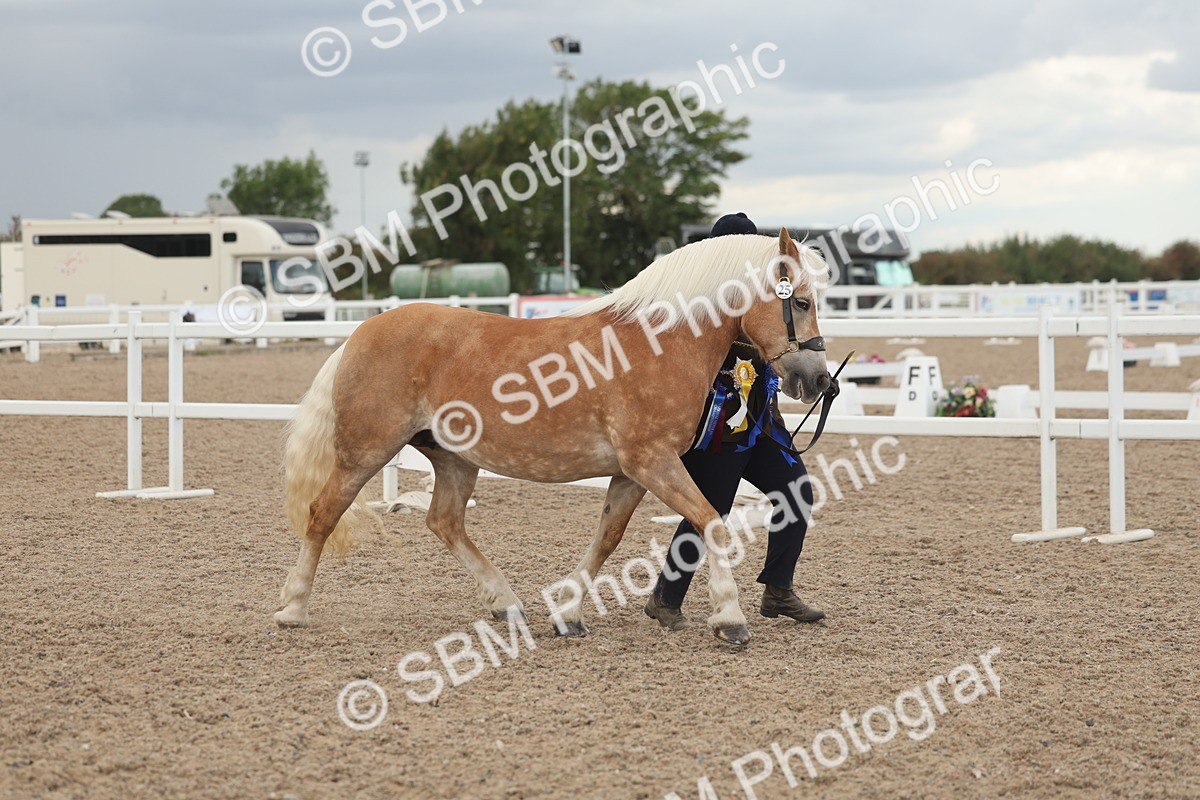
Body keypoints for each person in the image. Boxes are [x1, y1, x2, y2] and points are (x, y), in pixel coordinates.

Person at [644, 212, 825, 632]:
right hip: (717, 429)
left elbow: (783, 345)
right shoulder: (698, 307)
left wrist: (814, 374)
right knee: (709, 510)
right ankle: (666, 597)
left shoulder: (761, 302)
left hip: (761, 422)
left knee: (796, 491)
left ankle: (778, 590)